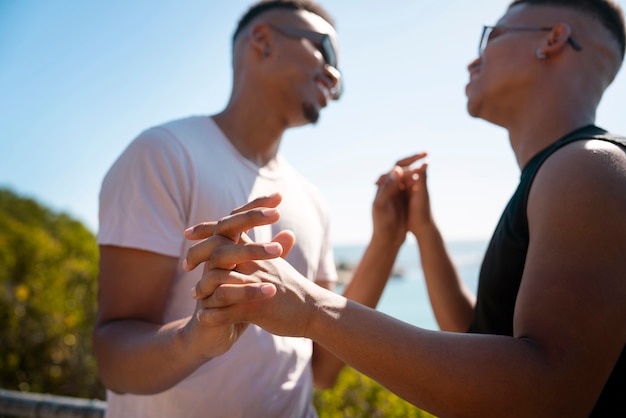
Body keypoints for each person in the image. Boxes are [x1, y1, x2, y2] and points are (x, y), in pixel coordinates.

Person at [184, 0, 626, 416]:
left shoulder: (587, 167)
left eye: (490, 37)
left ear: (551, 40)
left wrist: (309, 309)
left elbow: (552, 392)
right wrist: (423, 231)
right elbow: (484, 336)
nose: (474, 60)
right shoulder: (563, 171)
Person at [93, 1, 410, 417]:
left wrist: (386, 241)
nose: (333, 76)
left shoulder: (312, 198)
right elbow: (113, 358)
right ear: (262, 42)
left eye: (340, 74)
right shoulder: (165, 155)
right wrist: (195, 339)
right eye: (326, 52)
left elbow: (324, 369)